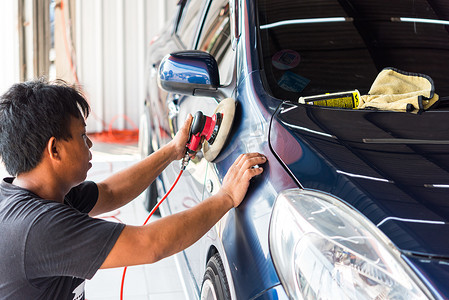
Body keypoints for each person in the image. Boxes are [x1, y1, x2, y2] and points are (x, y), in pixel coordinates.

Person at [0, 78, 266, 299]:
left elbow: (110, 192)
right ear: (54, 149)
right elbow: (151, 244)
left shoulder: (38, 194)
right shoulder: (40, 228)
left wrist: (172, 151)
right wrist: (227, 196)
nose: (90, 144)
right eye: (82, 136)